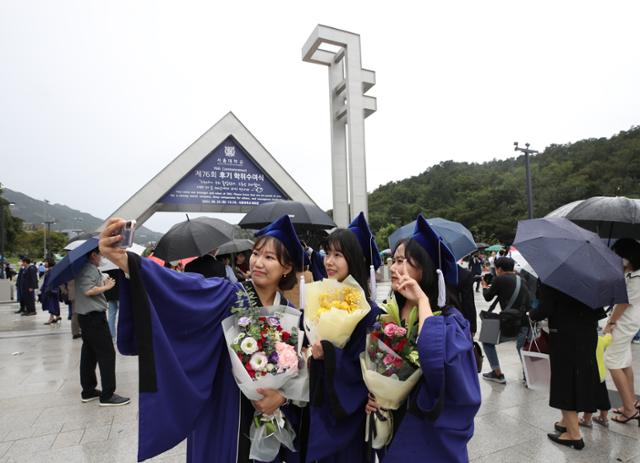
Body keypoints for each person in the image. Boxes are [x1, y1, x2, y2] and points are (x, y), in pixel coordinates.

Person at [99, 215, 306, 462]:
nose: (258, 262)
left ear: (287, 267)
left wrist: (281, 398)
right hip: (225, 407)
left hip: (272, 414)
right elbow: (180, 286)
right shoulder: (229, 294)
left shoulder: (290, 313)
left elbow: (301, 368)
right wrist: (124, 260)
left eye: (269, 257)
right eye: (256, 253)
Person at [366, 214, 481, 462]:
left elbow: (442, 370)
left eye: (401, 261)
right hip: (395, 424)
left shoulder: (451, 321)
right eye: (392, 260)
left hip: (426, 433)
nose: (394, 269)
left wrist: (422, 301)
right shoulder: (388, 314)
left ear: (424, 266)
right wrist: (375, 397)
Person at [307, 212, 381, 462]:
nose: (329, 261)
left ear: (354, 259)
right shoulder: (321, 302)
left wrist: (327, 353)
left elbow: (365, 366)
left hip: (353, 411)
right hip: (324, 405)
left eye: (338, 255)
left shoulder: (370, 312)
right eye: (327, 254)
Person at [529, 283, 605, 450]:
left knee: (564, 381)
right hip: (588, 333)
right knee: (580, 375)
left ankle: (574, 435)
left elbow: (545, 309)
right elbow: (599, 310)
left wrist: (531, 314)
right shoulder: (591, 276)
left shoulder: (553, 277)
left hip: (565, 335)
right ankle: (566, 422)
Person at [75, 247, 130, 406]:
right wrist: (106, 287)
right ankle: (107, 395)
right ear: (93, 255)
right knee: (107, 354)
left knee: (89, 354)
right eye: (100, 254)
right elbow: (88, 290)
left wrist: (104, 280)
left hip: (86, 317)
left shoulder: (86, 268)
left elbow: (94, 282)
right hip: (94, 318)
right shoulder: (88, 268)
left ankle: (88, 390)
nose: (102, 257)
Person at [604, 238, 640, 424]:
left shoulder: (636, 277)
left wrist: (611, 322)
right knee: (624, 361)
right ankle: (632, 401)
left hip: (624, 322)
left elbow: (624, 303)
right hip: (629, 322)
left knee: (611, 360)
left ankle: (629, 409)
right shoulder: (632, 273)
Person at [480, 257, 530, 384]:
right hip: (523, 320)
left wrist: (485, 286)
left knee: (487, 341)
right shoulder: (522, 279)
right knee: (521, 347)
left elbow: (487, 297)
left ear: (499, 269)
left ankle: (497, 373)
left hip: (508, 321)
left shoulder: (500, 279)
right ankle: (528, 375)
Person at [456, 264, 477, 336]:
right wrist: (472, 327)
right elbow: (468, 303)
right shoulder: (462, 274)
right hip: (457, 320)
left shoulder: (426, 270)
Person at [40, 257, 61, 325]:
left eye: (46, 262)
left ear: (49, 262)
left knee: (51, 304)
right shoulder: (51, 270)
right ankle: (57, 316)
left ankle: (51, 318)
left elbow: (50, 281)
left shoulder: (52, 271)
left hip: (51, 290)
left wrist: (47, 289)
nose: (44, 263)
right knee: (54, 304)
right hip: (52, 290)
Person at [104, 268, 122, 342]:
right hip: (119, 293)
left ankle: (112, 335)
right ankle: (121, 334)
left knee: (111, 315)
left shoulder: (105, 269)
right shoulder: (118, 267)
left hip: (109, 294)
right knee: (122, 315)